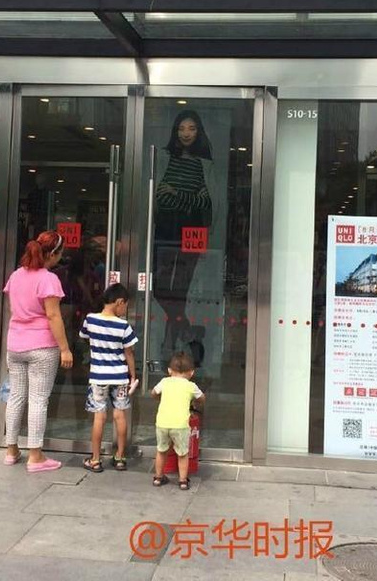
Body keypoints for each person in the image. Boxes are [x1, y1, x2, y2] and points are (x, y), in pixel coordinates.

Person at [2, 230, 74, 472]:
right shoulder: (48, 279)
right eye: (60, 253)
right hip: (41, 345)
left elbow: (13, 309)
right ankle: (35, 456)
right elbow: (53, 315)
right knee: (38, 400)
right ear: (52, 254)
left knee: (16, 397)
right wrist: (65, 348)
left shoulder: (16, 275)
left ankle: (11, 450)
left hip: (15, 344)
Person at [154, 110, 214, 358]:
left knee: (179, 293)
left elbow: (206, 203)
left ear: (199, 132)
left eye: (191, 128)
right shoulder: (165, 159)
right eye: (181, 128)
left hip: (192, 233)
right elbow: (160, 198)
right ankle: (189, 333)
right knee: (159, 289)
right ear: (175, 131)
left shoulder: (205, 165)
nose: (186, 133)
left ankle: (168, 348)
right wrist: (190, 198)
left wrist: (176, 194)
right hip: (165, 232)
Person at [80, 283, 138, 472]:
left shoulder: (90, 320)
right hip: (120, 376)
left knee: (99, 417)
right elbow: (129, 352)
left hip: (98, 376)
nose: (124, 310)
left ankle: (95, 460)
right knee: (120, 416)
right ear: (119, 302)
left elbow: (85, 337)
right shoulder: (123, 326)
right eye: (125, 306)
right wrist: (133, 375)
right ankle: (120, 457)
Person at [151, 351, 205, 490]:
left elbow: (153, 393)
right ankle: (182, 481)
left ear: (169, 370)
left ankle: (158, 478)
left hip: (162, 423)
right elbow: (202, 398)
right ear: (191, 373)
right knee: (182, 453)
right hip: (180, 425)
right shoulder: (191, 386)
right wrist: (195, 401)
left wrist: (159, 398)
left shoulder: (164, 382)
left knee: (161, 451)